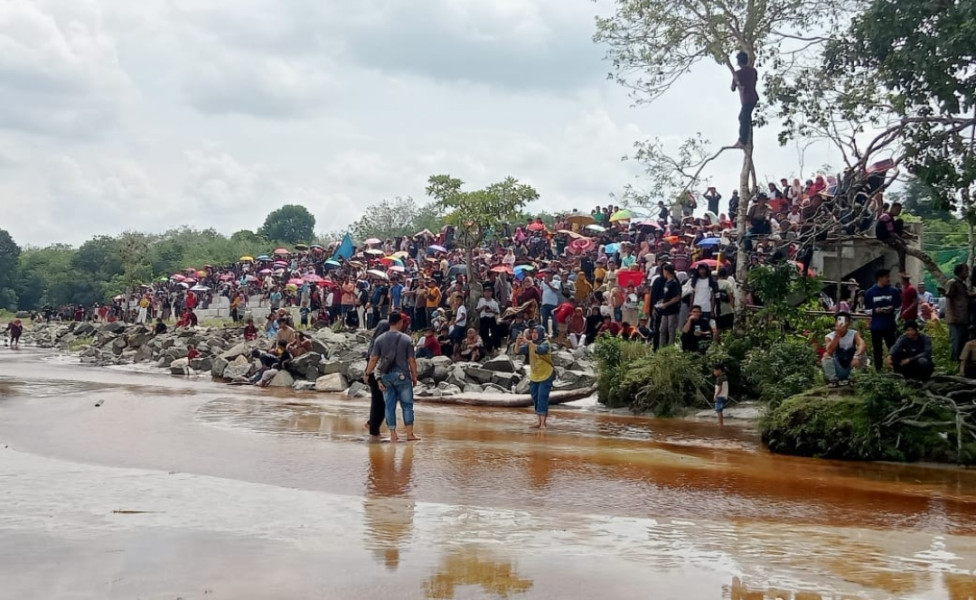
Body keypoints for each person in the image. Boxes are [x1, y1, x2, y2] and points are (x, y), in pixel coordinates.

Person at [363, 312, 419, 443]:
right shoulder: (406, 339)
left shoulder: (379, 339)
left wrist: (367, 373)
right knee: (406, 405)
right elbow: (412, 360)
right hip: (402, 375)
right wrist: (414, 376)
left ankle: (392, 434)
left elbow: (373, 358)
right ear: (399, 322)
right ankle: (409, 434)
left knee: (387, 405)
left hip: (384, 375)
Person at [864, 268, 901, 372]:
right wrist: (875, 311)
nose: (888, 279)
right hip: (876, 326)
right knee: (877, 350)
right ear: (880, 278)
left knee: (893, 348)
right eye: (886, 277)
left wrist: (892, 308)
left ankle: (896, 370)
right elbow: (866, 311)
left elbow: (899, 306)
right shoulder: (870, 292)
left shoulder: (894, 291)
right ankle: (878, 371)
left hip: (889, 325)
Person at [518, 325, 555, 429]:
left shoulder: (546, 343)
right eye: (533, 332)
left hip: (546, 373)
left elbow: (540, 350)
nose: (534, 334)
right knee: (535, 397)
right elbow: (518, 351)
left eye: (536, 332)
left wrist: (528, 342)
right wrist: (518, 342)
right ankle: (539, 421)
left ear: (541, 334)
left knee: (542, 397)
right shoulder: (530, 344)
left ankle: (543, 423)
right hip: (535, 375)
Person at [821, 312, 867, 386]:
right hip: (838, 366)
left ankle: (854, 378)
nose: (843, 323)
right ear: (835, 322)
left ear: (849, 323)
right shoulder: (829, 336)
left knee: (862, 354)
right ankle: (833, 380)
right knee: (826, 356)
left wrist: (856, 356)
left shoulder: (854, 333)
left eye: (845, 321)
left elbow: (862, 344)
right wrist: (837, 334)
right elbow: (829, 351)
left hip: (852, 365)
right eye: (840, 320)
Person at [364, 320, 391, 443]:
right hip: (376, 375)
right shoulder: (380, 342)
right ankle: (374, 431)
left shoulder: (375, 340)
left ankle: (372, 426)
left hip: (373, 374)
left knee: (379, 403)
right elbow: (374, 359)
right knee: (380, 403)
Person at [946, 263, 975, 362]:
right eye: (965, 271)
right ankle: (954, 362)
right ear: (959, 271)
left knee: (962, 341)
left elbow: (967, 295)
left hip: (963, 318)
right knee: (956, 341)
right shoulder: (952, 283)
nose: (967, 273)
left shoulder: (962, 284)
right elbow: (949, 299)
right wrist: (952, 315)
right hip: (956, 318)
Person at [731, 51, 758, 148]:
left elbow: (733, 88)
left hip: (747, 99)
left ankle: (743, 141)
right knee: (743, 117)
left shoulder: (737, 74)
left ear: (739, 62)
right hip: (753, 97)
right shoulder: (753, 71)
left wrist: (737, 82)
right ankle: (743, 139)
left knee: (743, 118)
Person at [656, 264, 682, 348]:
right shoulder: (667, 282)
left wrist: (666, 304)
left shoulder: (674, 283)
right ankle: (661, 347)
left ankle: (671, 347)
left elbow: (677, 298)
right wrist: (662, 301)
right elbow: (667, 295)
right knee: (662, 329)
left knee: (671, 329)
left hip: (672, 309)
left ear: (666, 271)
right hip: (665, 310)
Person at [476, 287, 500, 353]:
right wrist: (482, 307)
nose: (487, 293)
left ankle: (495, 347)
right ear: (484, 293)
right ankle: (485, 348)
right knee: (483, 334)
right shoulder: (481, 300)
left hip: (491, 318)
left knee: (494, 333)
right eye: (486, 292)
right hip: (483, 319)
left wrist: (491, 310)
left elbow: (497, 312)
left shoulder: (494, 302)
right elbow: (477, 311)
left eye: (489, 292)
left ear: (491, 293)